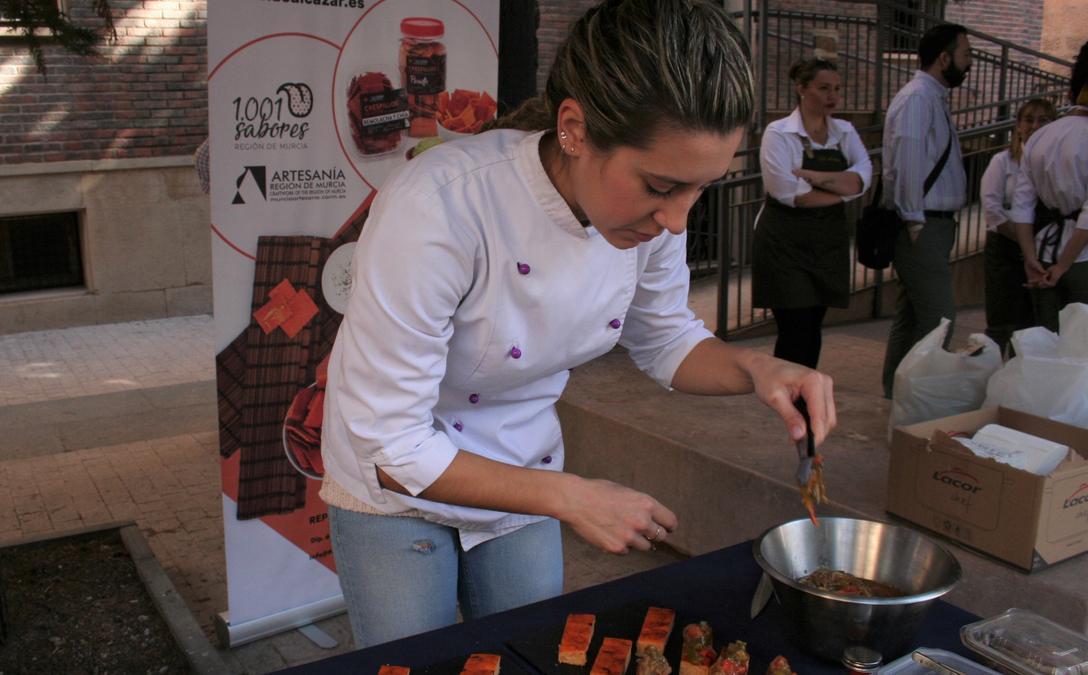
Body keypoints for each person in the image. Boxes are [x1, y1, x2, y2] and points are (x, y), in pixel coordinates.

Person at [318, 0, 837, 648]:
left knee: (536, 653)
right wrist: (569, 496)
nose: (677, 220)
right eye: (660, 186)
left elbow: (667, 338)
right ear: (573, 128)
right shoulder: (438, 209)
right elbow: (393, 447)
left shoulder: (653, 217)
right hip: (394, 482)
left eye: (699, 189)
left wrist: (758, 367)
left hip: (522, 455)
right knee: (414, 662)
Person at [753, 59, 872, 368]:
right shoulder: (778, 133)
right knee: (794, 328)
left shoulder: (844, 131)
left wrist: (815, 177)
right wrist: (840, 190)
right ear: (802, 89)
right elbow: (790, 193)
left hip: (827, 241)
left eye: (836, 89)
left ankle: (806, 401)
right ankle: (791, 403)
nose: (832, 96)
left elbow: (862, 179)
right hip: (784, 243)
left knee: (814, 327)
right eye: (823, 88)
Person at [879, 23, 973, 399]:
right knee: (939, 320)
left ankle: (897, 392)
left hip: (931, 226)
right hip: (922, 226)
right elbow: (909, 161)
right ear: (944, 58)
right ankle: (913, 397)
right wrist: (915, 221)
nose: (969, 64)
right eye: (966, 54)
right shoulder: (919, 98)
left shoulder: (930, 97)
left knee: (913, 315)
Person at [1012, 40, 1088, 333]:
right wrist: (1065, 265)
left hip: (1043, 255)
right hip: (1081, 259)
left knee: (1047, 349)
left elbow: (1022, 205)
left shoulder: (1041, 136)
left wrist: (1031, 257)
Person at [979, 98, 1056, 351]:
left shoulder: (1054, 164)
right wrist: (1024, 240)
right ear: (1019, 126)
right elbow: (993, 210)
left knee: (1032, 323)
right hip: (1005, 249)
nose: (1035, 126)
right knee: (1003, 322)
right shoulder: (1002, 162)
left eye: (1043, 120)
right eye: (1028, 119)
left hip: (1043, 250)